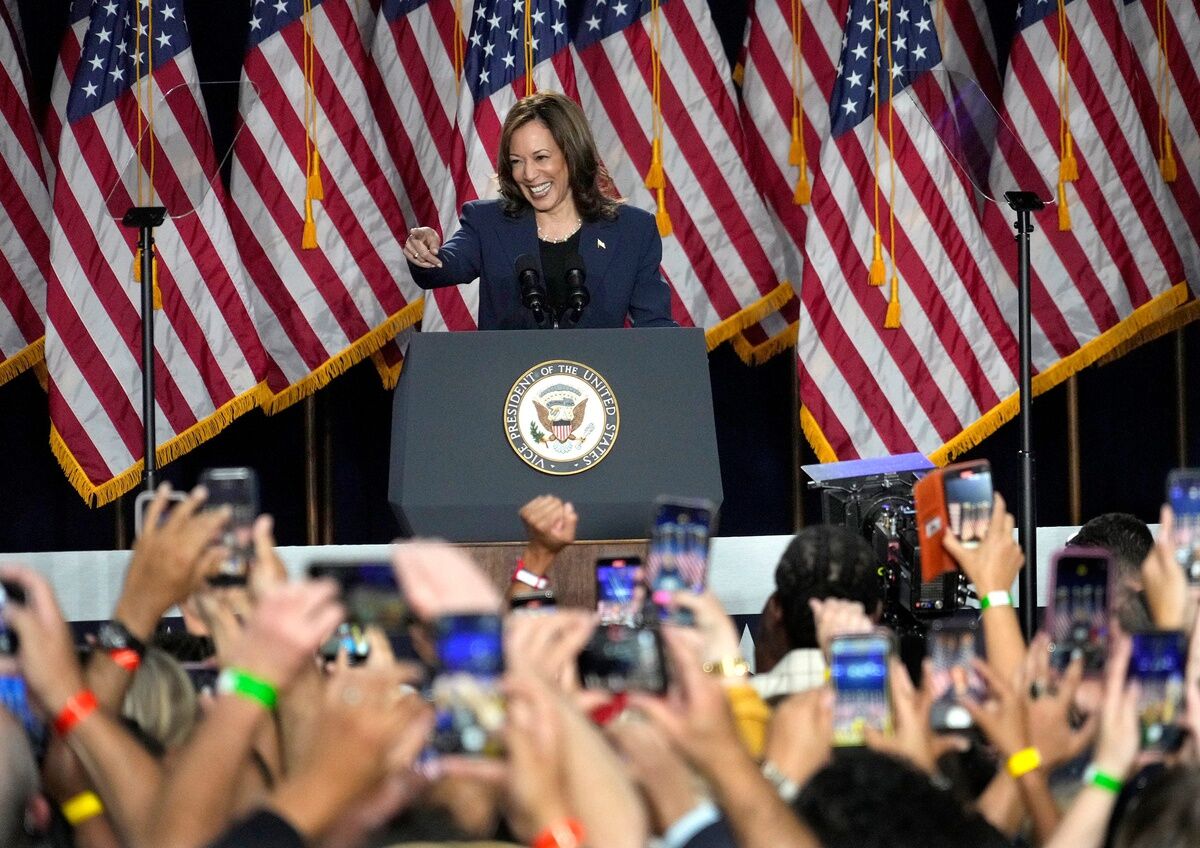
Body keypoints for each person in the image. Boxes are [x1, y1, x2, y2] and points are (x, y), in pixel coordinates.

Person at [404, 90, 676, 330]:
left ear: (572, 154)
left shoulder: (632, 230)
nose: (529, 174)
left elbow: (655, 327)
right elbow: (443, 268)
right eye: (516, 161)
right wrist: (425, 252)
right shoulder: (487, 223)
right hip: (507, 384)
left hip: (597, 385)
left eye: (541, 157)